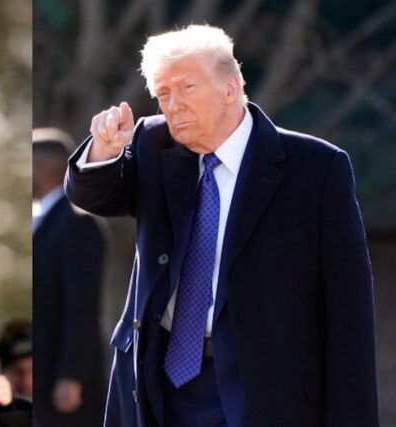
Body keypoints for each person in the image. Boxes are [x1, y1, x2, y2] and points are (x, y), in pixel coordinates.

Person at [65, 24, 378, 427]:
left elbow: (348, 311)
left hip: (267, 390)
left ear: (231, 87)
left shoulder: (316, 167)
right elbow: (93, 196)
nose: (172, 104)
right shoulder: (152, 144)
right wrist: (104, 150)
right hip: (160, 384)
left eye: (187, 87)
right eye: (163, 93)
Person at [33, 128, 107, 426]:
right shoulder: (47, 220)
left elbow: (83, 306)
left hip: (65, 383)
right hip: (42, 376)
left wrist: (71, 376)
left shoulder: (78, 223)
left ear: (43, 169)